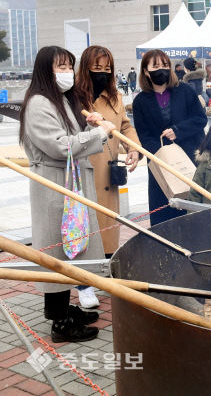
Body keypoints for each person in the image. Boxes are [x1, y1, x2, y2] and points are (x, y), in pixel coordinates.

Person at [19, 46, 116, 342]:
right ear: (44, 70)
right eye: (60, 67)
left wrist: (86, 125)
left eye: (68, 67)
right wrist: (98, 134)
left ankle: (66, 309)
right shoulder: (38, 103)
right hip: (55, 185)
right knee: (57, 250)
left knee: (75, 245)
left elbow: (68, 134)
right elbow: (59, 145)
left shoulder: (58, 99)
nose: (66, 73)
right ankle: (59, 321)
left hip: (70, 183)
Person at [75, 45, 141, 308]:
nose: (102, 73)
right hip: (84, 172)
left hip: (109, 172)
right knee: (86, 229)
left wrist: (133, 148)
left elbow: (125, 126)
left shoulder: (114, 96)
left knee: (109, 227)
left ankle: (108, 273)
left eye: (107, 68)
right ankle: (84, 285)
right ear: (85, 68)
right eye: (96, 68)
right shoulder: (76, 98)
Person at [132, 49, 207, 225]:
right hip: (161, 164)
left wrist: (178, 130)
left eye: (165, 65)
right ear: (145, 71)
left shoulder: (185, 91)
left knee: (193, 213)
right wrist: (161, 154)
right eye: (156, 66)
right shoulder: (141, 101)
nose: (161, 69)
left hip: (189, 160)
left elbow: (200, 119)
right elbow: (143, 134)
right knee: (163, 215)